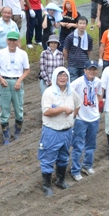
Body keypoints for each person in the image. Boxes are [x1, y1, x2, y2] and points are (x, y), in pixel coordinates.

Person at [39, 67, 81, 196]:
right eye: (60, 76)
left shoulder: (71, 92)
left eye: (65, 76)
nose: (62, 78)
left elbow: (78, 104)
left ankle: (60, 180)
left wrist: (72, 117)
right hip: (52, 131)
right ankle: (47, 186)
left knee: (63, 157)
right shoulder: (49, 93)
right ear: (55, 78)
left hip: (67, 131)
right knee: (48, 158)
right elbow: (46, 111)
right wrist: (63, 109)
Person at [0, 31, 30, 145]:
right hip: (4, 82)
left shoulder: (23, 54)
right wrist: (0, 79)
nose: (12, 42)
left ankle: (17, 133)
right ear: (6, 41)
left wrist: (19, 80)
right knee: (4, 110)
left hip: (17, 82)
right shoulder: (0, 53)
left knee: (19, 109)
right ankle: (6, 136)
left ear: (18, 41)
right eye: (10, 40)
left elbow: (27, 69)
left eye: (14, 40)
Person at [70, 60, 103, 181]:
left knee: (91, 144)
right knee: (78, 145)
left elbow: (99, 94)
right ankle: (75, 170)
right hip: (81, 118)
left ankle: (87, 165)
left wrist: (100, 105)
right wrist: (74, 109)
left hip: (93, 117)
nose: (92, 72)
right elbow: (69, 93)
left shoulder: (98, 82)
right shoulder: (78, 82)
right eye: (90, 69)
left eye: (94, 69)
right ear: (85, 70)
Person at [63, 16, 93, 81]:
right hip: (73, 65)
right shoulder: (70, 37)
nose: (82, 25)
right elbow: (65, 50)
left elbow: (89, 51)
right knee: (73, 85)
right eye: (80, 23)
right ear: (77, 24)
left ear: (86, 25)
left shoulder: (89, 38)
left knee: (83, 85)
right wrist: (69, 59)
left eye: (84, 23)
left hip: (84, 65)